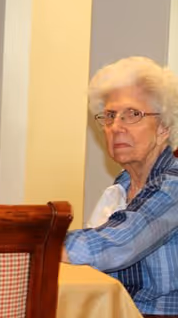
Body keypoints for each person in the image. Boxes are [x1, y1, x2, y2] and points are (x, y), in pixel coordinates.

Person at [63, 56, 178, 317]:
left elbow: (119, 242)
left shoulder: (173, 185)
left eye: (132, 114)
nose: (116, 127)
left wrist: (36, 241)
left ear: (164, 127)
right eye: (111, 115)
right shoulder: (121, 187)